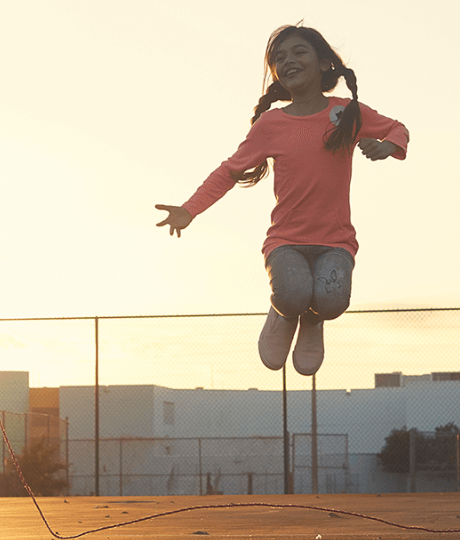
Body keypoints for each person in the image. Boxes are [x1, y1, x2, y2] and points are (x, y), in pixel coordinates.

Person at [154, 24, 409, 377]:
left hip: (335, 242)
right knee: (292, 292)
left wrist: (386, 147)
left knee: (332, 301)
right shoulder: (271, 124)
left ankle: (313, 321)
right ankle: (285, 314)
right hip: (286, 242)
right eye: (279, 58)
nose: (287, 60)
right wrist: (189, 209)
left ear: (323, 63)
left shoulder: (346, 113)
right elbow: (229, 172)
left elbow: (398, 128)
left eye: (298, 52)